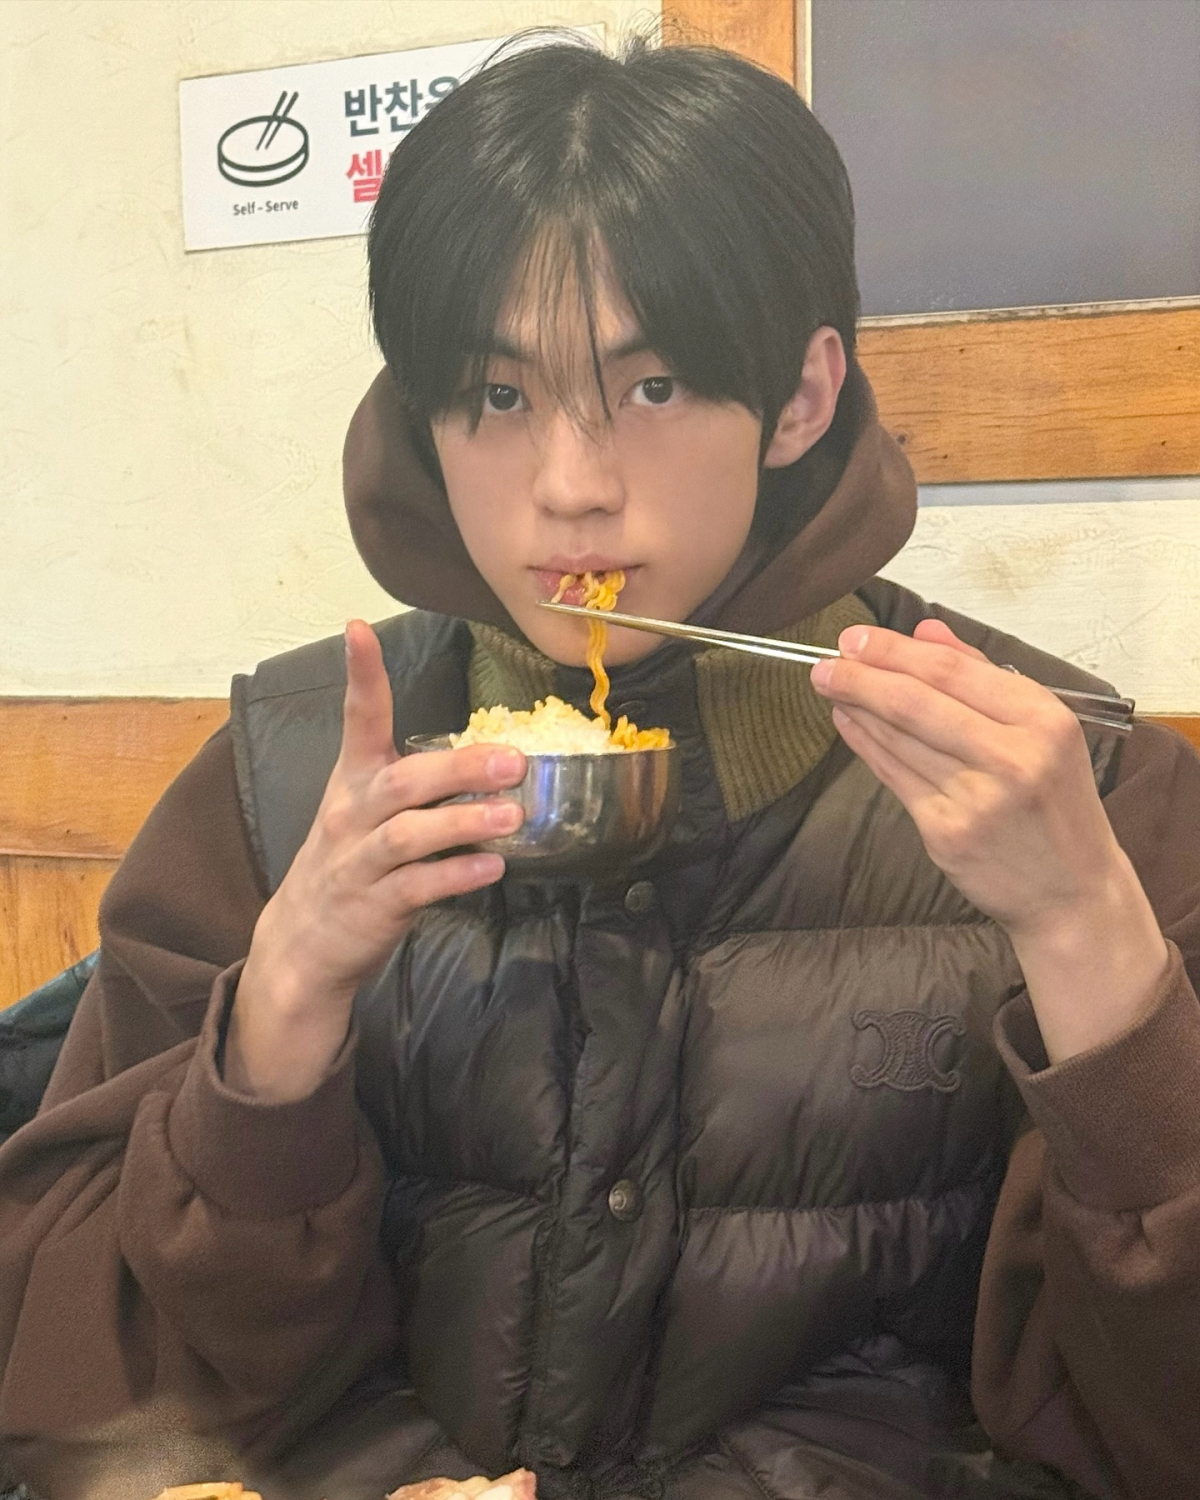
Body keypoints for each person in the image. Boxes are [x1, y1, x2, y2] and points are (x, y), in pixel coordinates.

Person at [1, 33, 1199, 1500]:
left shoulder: (1082, 797)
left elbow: (1146, 1432)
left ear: (802, 397)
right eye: (498, 398)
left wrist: (1088, 941)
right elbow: (83, 1398)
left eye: (656, 385)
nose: (570, 488)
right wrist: (279, 1023)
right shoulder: (275, 785)